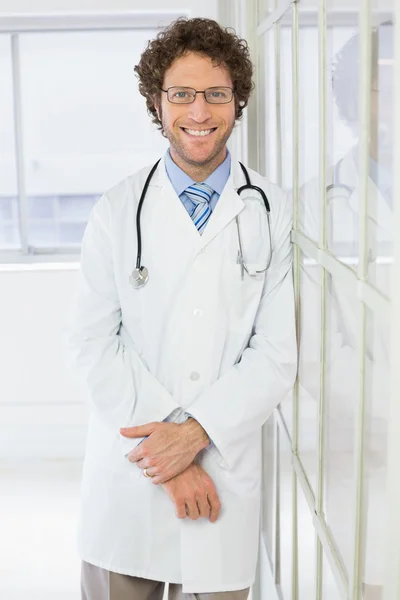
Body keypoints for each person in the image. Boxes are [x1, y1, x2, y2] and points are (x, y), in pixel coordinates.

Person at [66, 17, 297, 600]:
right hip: (131, 480)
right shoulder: (117, 212)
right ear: (156, 101)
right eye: (182, 94)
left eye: (216, 94)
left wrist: (196, 434)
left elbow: (275, 356)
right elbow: (93, 347)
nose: (200, 111)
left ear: (238, 101)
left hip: (222, 478)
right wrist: (173, 456)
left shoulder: (272, 211)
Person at [298, 20, 393, 600]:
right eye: (382, 84)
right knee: (375, 577)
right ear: (355, 97)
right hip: (373, 447)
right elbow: (315, 351)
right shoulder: (319, 204)